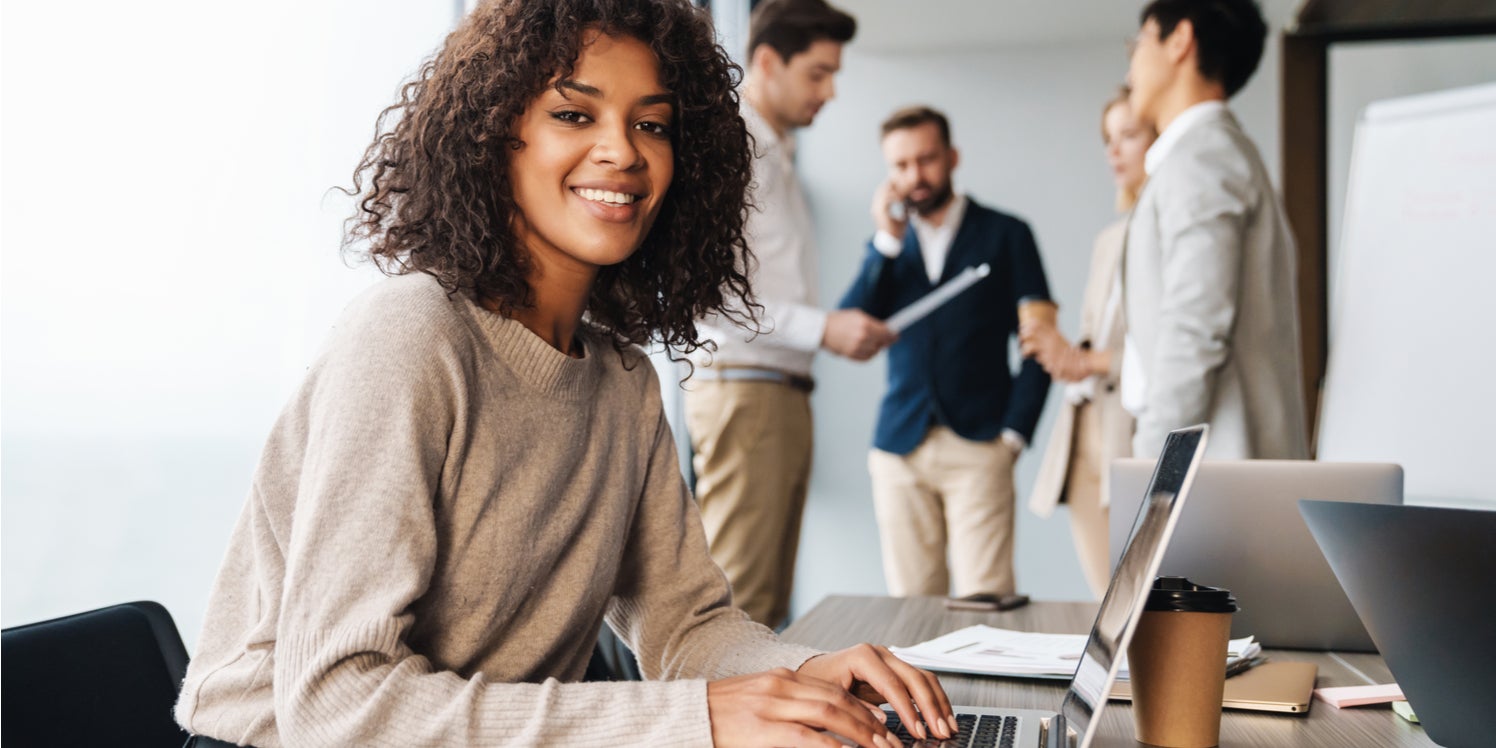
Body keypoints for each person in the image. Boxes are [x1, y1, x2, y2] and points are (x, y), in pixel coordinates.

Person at [172, 2, 959, 745]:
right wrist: (689, 721)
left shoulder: (622, 381)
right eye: (574, 114)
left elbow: (687, 624)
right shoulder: (411, 336)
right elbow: (337, 704)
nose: (623, 149)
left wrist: (804, 676)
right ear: (495, 134)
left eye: (651, 124)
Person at [685, 0, 893, 630]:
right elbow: (708, 296)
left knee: (765, 609)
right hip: (748, 392)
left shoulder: (775, 152)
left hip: (774, 393)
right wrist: (822, 327)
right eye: (818, 73)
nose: (829, 92)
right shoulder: (736, 147)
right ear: (768, 62)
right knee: (740, 608)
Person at [839, 106, 1052, 600]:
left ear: (952, 157)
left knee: (986, 600)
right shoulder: (889, 247)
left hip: (980, 444)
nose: (915, 176)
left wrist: (1015, 435)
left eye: (927, 159)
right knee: (912, 607)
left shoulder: (1007, 234)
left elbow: (1041, 341)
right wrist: (885, 243)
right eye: (900, 165)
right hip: (899, 447)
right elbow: (849, 328)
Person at [1120, 0, 1310, 460]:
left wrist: (1150, 465)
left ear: (1180, 41)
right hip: (1220, 468)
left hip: (1213, 472)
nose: (1130, 66)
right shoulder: (1214, 155)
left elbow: (1195, 327)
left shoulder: (1203, 160)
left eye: (1139, 43)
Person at [1021, 89, 1157, 598]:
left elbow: (1172, 350)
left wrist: (1084, 359)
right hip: (1082, 436)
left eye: (1128, 135)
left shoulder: (1170, 234)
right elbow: (1094, 343)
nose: (1113, 151)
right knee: (1108, 602)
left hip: (1133, 433)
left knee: (1142, 602)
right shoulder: (1110, 239)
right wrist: (1059, 351)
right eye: (1107, 139)